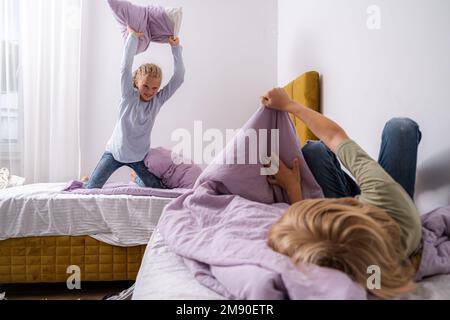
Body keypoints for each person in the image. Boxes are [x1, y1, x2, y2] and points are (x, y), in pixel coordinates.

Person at [261, 88, 422, 299]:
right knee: (401, 128)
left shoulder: (347, 260)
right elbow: (335, 136)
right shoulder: (386, 195)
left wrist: (293, 186)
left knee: (314, 150)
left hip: (375, 231)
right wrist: (289, 104)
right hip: (394, 211)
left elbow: (305, 237)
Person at [85, 26, 185, 189]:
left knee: (157, 188)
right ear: (136, 82)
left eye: (154, 88)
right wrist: (132, 39)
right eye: (145, 86)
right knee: (91, 188)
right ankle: (88, 180)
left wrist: (175, 48)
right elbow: (125, 67)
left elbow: (179, 78)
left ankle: (136, 178)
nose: (150, 92)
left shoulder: (157, 101)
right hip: (115, 153)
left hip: (139, 156)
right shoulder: (128, 96)